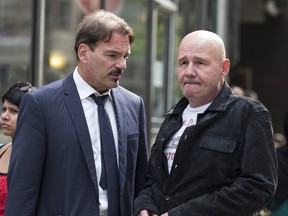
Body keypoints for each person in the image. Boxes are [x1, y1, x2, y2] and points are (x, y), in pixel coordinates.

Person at [5, 10, 148, 216]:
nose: (122, 65)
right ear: (83, 53)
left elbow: (140, 181)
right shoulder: (41, 104)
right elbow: (23, 191)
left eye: (125, 56)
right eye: (112, 55)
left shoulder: (134, 105)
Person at [134, 30, 277, 216]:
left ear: (224, 68)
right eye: (183, 62)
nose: (189, 71)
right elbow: (152, 179)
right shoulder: (172, 117)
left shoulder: (249, 115)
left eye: (200, 62)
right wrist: (144, 206)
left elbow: (258, 187)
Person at [0, 81, 35, 215]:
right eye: (4, 109)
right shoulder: (2, 150)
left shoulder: (39, 156)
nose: (5, 116)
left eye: (14, 111)